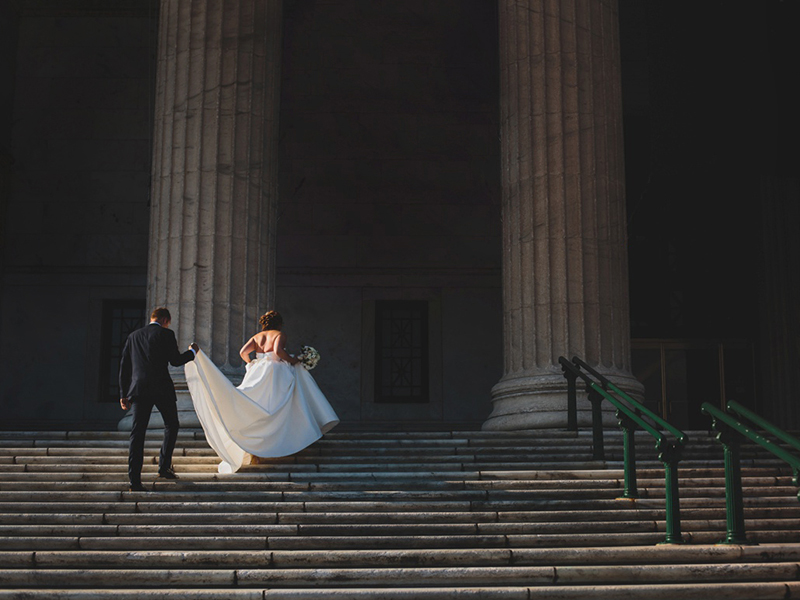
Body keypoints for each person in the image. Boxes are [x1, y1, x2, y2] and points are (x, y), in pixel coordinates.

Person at [185, 310, 339, 473]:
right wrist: (293, 360)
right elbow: (278, 352)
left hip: (258, 370)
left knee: (258, 404)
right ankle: (285, 439)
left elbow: (243, 352)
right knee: (280, 404)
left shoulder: (257, 337)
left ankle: (257, 448)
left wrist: (251, 362)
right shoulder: (279, 334)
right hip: (276, 372)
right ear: (279, 323)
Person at [119, 307, 198, 492]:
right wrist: (192, 352)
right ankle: (164, 467)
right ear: (164, 320)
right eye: (168, 323)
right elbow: (176, 361)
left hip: (139, 390)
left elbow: (124, 367)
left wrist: (123, 394)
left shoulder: (133, 336)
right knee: (172, 424)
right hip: (161, 388)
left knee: (137, 434)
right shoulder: (166, 334)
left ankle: (134, 481)